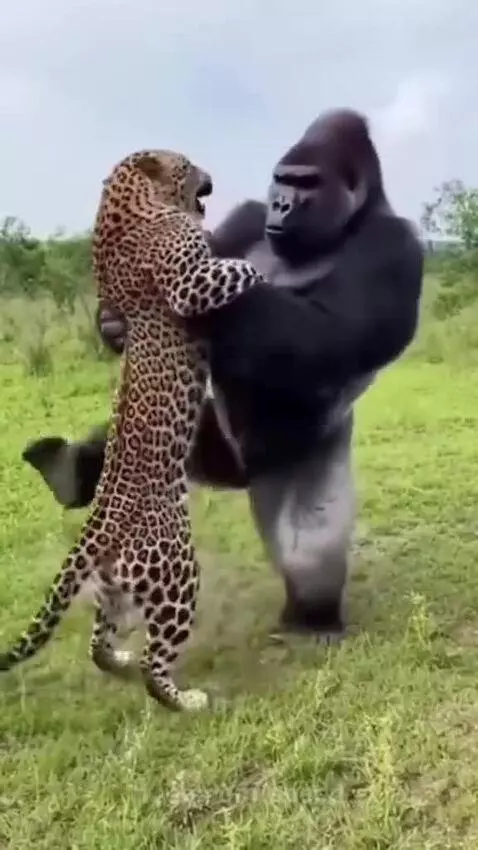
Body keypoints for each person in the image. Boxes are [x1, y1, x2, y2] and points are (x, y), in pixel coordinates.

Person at [23, 109, 424, 642]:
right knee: (161, 431)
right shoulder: (250, 224)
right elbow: (164, 291)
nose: (287, 200)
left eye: (306, 187)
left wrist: (213, 298)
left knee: (311, 556)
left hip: (306, 426)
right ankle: (85, 466)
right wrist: (124, 317)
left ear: (352, 187)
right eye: (284, 182)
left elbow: (328, 350)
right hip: (231, 405)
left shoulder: (386, 248)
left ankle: (312, 619)